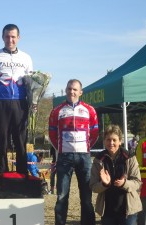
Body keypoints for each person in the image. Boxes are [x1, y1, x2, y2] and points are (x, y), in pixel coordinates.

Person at [0, 24, 33, 175]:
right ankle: (2, 174)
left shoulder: (26, 57)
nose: (10, 40)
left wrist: (32, 103)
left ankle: (22, 174)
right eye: (7, 36)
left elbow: (31, 83)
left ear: (18, 38)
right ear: (2, 37)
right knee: (2, 140)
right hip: (0, 102)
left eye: (13, 37)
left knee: (20, 140)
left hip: (20, 102)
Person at [48, 79, 99, 225]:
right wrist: (61, 149)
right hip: (64, 157)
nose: (72, 92)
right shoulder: (57, 111)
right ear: (66, 90)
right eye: (69, 89)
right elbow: (52, 134)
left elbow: (95, 132)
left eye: (75, 89)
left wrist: (87, 147)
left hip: (84, 156)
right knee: (62, 195)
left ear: (81, 92)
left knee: (86, 197)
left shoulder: (90, 110)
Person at [90, 125, 142, 225]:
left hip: (128, 210)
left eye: (114, 140)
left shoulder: (129, 157)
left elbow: (137, 182)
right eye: (108, 140)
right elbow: (93, 186)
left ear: (120, 141)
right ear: (104, 141)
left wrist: (124, 183)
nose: (111, 143)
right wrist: (104, 184)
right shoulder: (98, 159)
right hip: (107, 211)